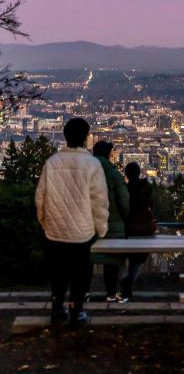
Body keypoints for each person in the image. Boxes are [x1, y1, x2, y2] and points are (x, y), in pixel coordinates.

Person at [35, 118, 109, 327]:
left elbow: (40, 198)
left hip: (55, 230)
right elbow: (99, 202)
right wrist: (101, 229)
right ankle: (77, 310)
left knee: (58, 272)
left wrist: (45, 223)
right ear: (85, 138)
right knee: (80, 272)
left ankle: (57, 307)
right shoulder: (92, 164)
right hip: (83, 231)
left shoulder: (52, 162)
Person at [89, 141, 130, 302]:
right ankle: (111, 294)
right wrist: (127, 219)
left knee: (87, 260)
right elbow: (124, 202)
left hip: (88, 223)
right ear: (108, 155)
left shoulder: (87, 172)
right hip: (113, 224)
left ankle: (84, 293)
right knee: (111, 262)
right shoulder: (114, 174)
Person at [121, 162, 156, 301]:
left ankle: (125, 283)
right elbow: (152, 205)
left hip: (127, 229)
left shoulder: (125, 189)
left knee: (122, 258)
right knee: (136, 261)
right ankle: (129, 283)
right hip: (144, 229)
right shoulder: (146, 188)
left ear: (126, 174)